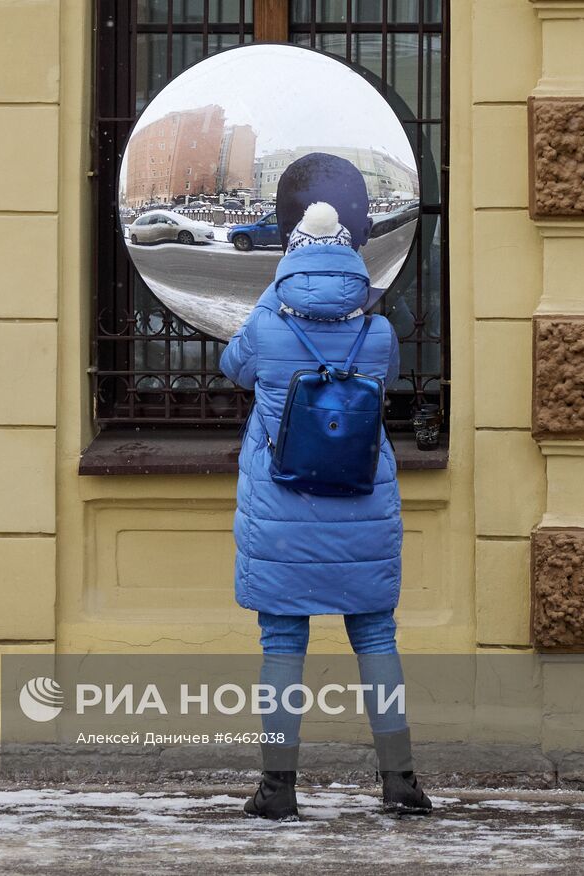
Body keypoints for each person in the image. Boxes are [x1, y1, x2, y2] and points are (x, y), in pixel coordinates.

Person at [219, 190, 433, 820]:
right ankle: (399, 782)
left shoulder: (266, 323)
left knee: (281, 642)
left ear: (289, 261)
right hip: (362, 503)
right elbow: (386, 382)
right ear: (351, 263)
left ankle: (277, 789)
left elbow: (236, 369)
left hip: (282, 509)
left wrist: (271, 295)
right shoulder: (378, 330)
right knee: (376, 637)